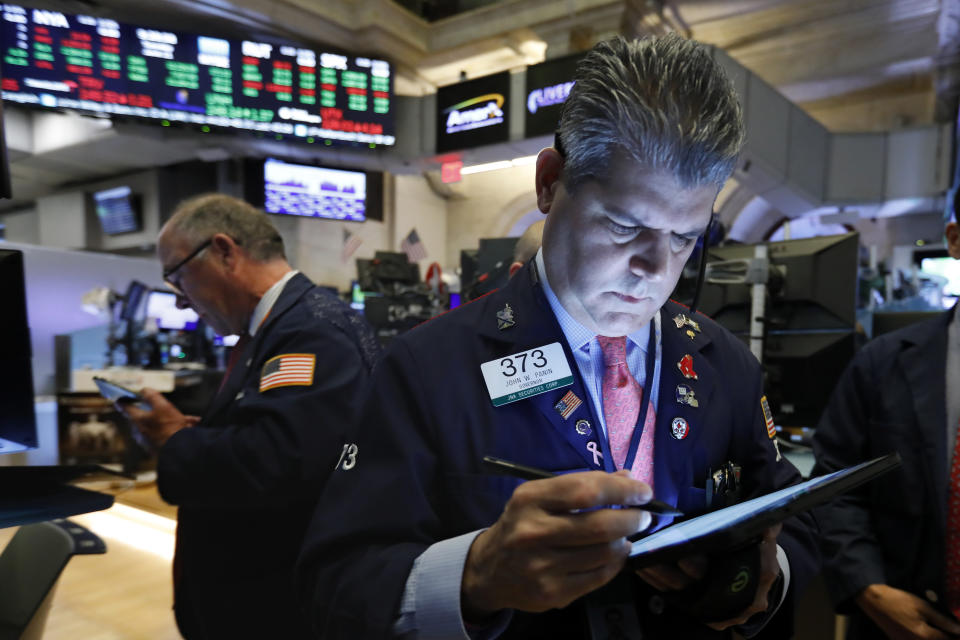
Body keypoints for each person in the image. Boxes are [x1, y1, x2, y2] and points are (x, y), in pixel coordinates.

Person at [297, 34, 818, 639]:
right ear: (549, 183)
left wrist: (760, 572)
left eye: (684, 237)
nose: (655, 269)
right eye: (625, 225)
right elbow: (333, 584)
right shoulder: (427, 367)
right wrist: (474, 577)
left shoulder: (724, 362)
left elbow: (794, 519)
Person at [121, 194, 380, 639]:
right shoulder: (282, 327)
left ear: (224, 251)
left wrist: (174, 440)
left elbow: (280, 461)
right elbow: (284, 434)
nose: (180, 302)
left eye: (177, 277)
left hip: (278, 606)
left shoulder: (309, 331)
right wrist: (203, 435)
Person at [811, 187, 960, 640]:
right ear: (955, 240)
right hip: (899, 621)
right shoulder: (884, 362)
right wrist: (868, 587)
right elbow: (836, 484)